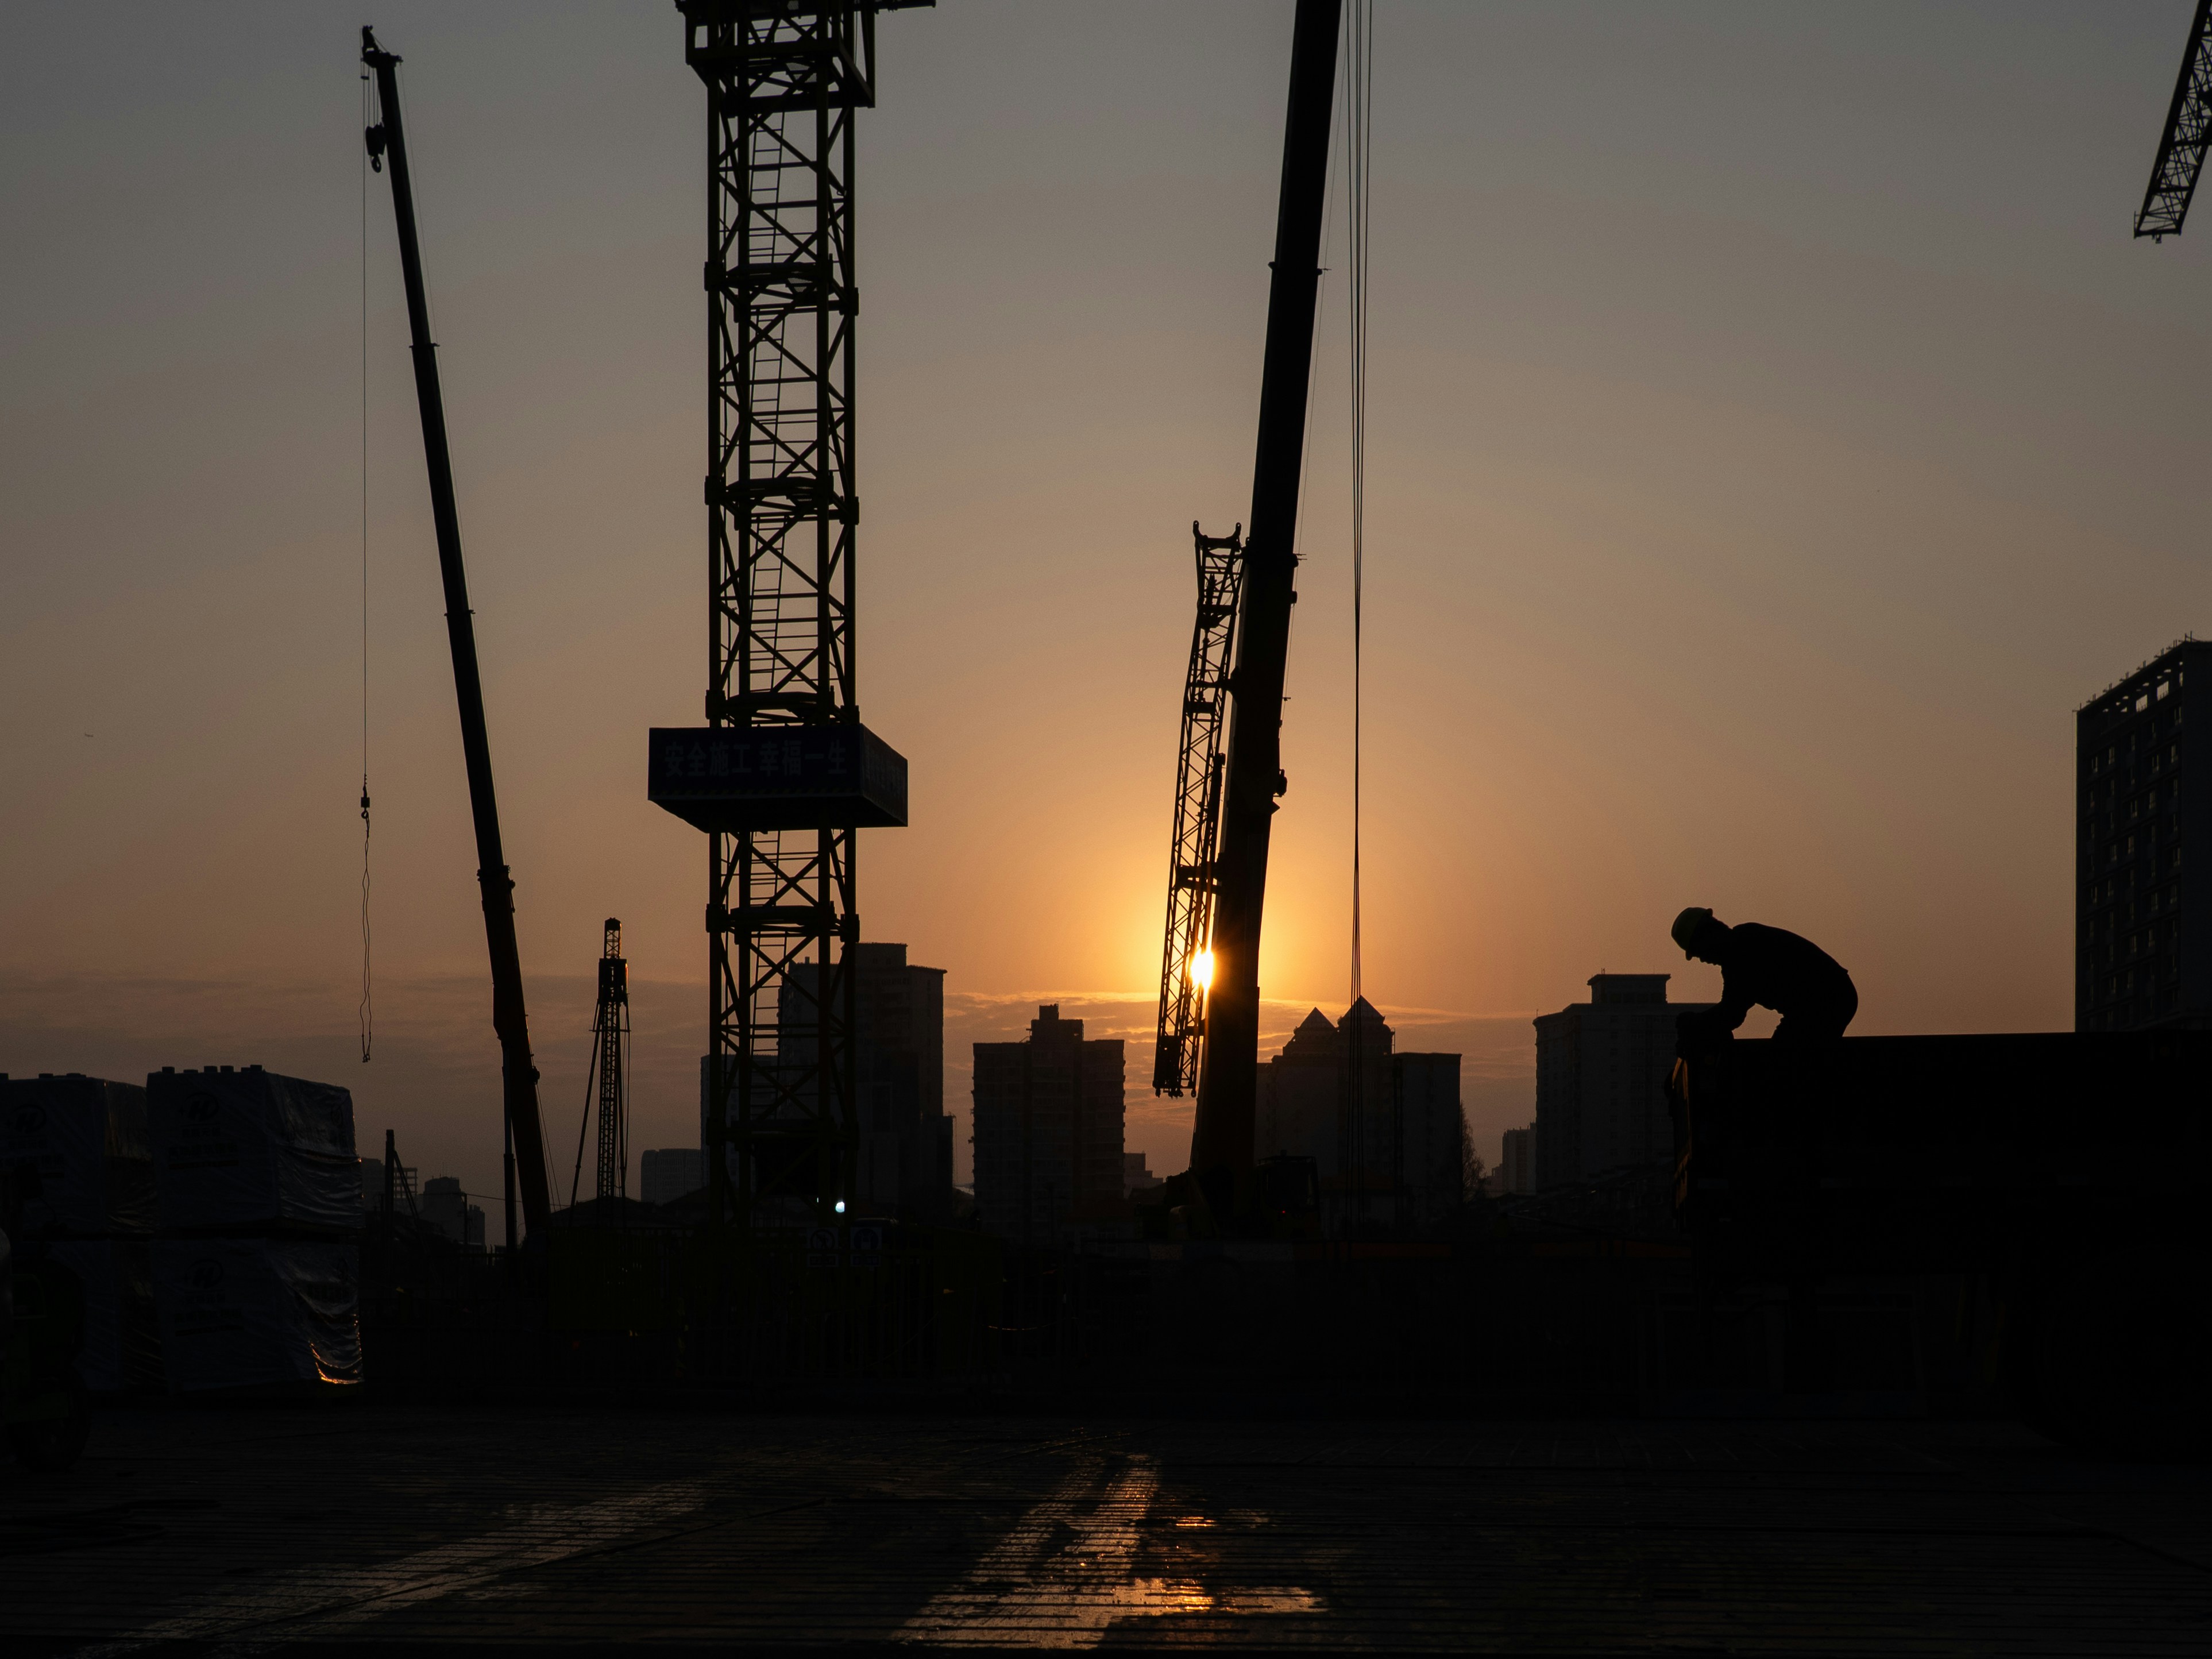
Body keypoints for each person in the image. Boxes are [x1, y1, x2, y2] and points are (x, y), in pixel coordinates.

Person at [1669, 907, 1856, 1051]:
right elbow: (1731, 1011)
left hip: (1828, 1000)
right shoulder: (1742, 943)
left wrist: (1697, 1022)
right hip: (1823, 1001)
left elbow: (1732, 1013)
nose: (1703, 959)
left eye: (1699, 952)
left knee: (1781, 1061)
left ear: (1707, 937)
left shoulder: (1742, 950)